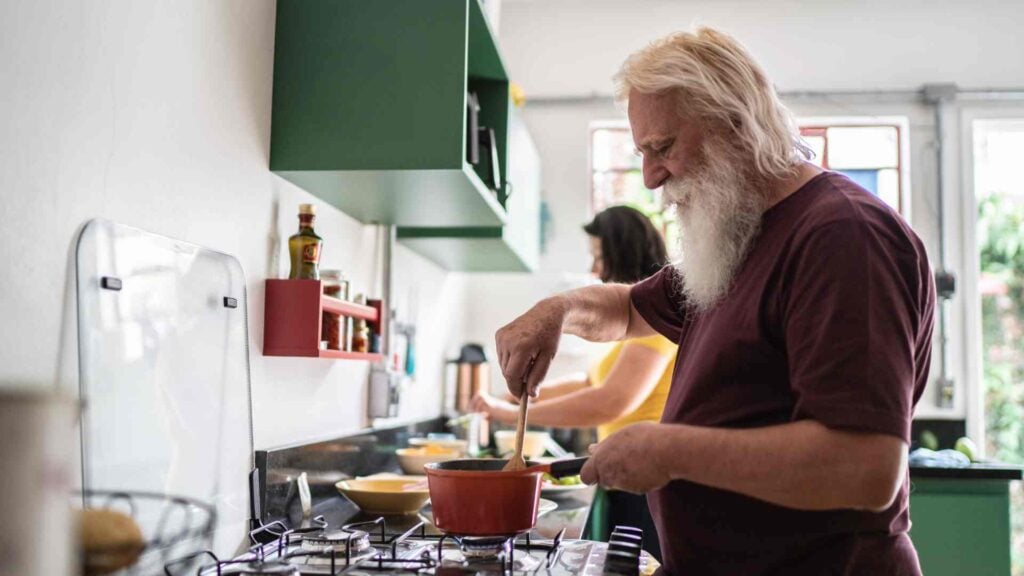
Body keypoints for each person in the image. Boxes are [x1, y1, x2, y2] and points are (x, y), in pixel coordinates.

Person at [495, 27, 935, 575]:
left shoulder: (844, 234)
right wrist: (556, 311)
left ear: (737, 124)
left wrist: (666, 452)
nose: (651, 177)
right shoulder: (739, 236)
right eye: (642, 153)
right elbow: (629, 308)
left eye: (663, 148)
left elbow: (864, 467)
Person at [472, 205, 677, 560]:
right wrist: (523, 394)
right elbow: (589, 381)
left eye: (599, 256)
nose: (594, 268)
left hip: (649, 483)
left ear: (621, 253)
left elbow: (611, 400)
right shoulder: (634, 323)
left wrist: (507, 414)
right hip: (625, 477)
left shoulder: (660, 319)